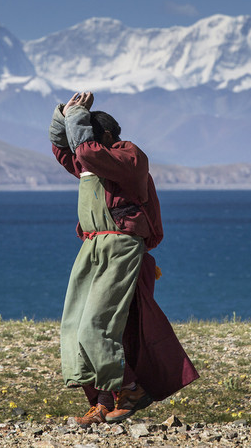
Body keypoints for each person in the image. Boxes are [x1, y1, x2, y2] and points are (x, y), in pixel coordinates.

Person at [49, 91, 198, 425]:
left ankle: (130, 388)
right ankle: (102, 399)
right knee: (76, 327)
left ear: (103, 136)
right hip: (91, 249)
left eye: (86, 137)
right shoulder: (91, 165)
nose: (80, 147)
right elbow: (64, 150)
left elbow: (86, 151)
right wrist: (66, 114)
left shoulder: (127, 157)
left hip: (120, 248)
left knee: (96, 325)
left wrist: (77, 121)